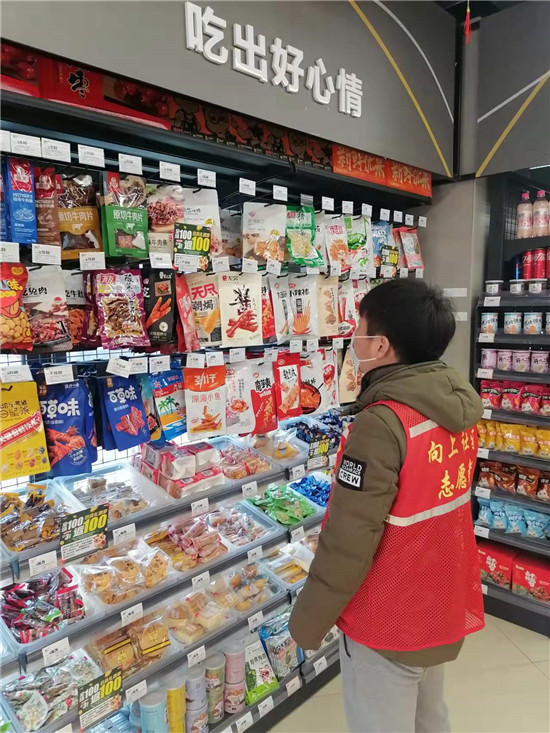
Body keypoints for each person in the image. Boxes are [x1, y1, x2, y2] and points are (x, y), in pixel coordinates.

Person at [289, 279, 485, 733]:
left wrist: (308, 622)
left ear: (380, 345)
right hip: (438, 596)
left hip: (387, 612)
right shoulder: (456, 407)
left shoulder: (382, 423)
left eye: (358, 328)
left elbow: (349, 540)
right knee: (429, 715)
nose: (352, 339)